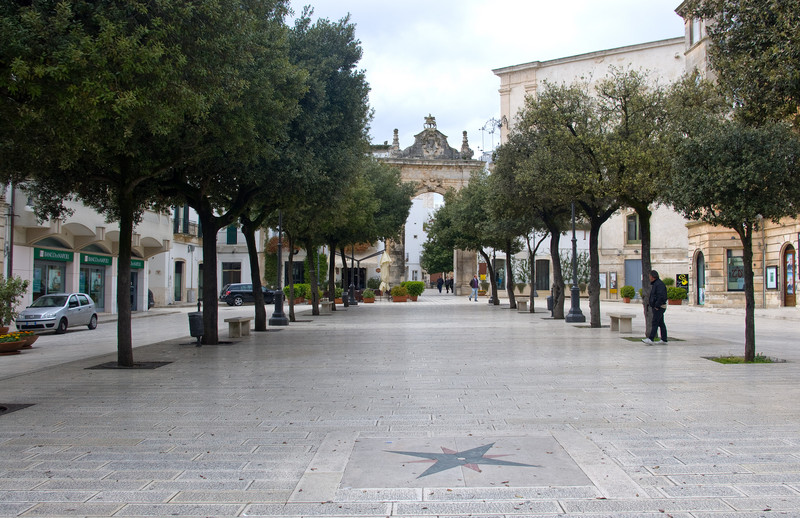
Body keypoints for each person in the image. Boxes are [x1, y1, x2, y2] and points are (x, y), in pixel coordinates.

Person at [642, 270, 668, 345]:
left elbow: (661, 296)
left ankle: (651, 338)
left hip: (659, 307)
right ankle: (664, 339)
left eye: (650, 276)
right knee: (661, 323)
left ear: (652, 277)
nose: (649, 278)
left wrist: (657, 306)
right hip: (658, 306)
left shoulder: (659, 284)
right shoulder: (656, 284)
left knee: (655, 322)